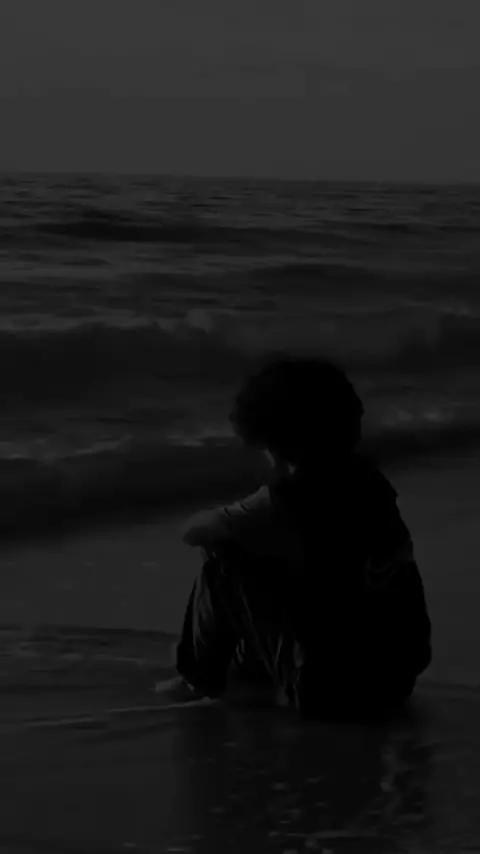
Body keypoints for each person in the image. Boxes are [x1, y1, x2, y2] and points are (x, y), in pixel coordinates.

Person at [157, 356, 432, 720]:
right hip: (396, 678)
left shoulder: (286, 500)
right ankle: (254, 672)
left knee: (222, 557)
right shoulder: (372, 484)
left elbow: (193, 532)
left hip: (331, 692)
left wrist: (249, 527)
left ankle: (198, 679)